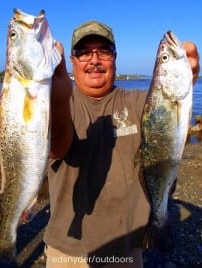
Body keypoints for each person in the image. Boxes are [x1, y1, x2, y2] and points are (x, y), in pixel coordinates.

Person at [44, 20, 200, 268]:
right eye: (84, 52)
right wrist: (56, 97)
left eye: (103, 51)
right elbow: (55, 149)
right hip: (67, 251)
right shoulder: (59, 105)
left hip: (127, 249)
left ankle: (158, 221)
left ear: (115, 58)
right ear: (72, 61)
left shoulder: (140, 102)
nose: (94, 60)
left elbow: (167, 109)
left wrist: (184, 78)